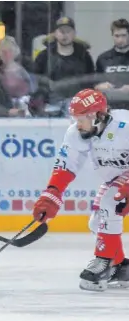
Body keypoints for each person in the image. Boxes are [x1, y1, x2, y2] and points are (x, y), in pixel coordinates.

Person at [32, 89, 129, 292]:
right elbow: (67, 165)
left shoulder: (126, 125)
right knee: (97, 222)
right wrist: (52, 194)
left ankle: (102, 263)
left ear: (97, 116)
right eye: (75, 118)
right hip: (115, 180)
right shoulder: (76, 133)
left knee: (110, 203)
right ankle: (120, 267)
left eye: (81, 118)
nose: (77, 123)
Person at [95, 18, 129, 110]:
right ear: (112, 36)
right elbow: (95, 85)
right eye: (117, 36)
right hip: (110, 108)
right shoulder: (103, 58)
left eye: (123, 35)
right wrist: (101, 86)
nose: (120, 39)